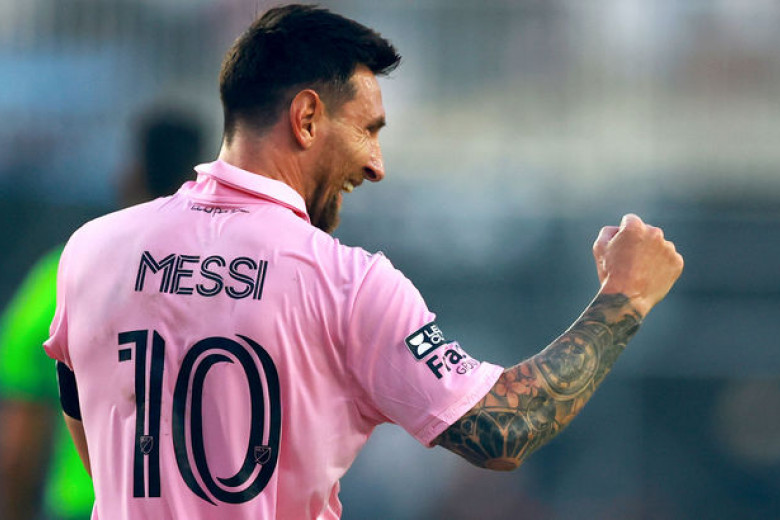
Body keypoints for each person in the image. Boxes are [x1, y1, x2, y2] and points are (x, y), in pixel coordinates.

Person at [43, 4, 683, 519]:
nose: (376, 165)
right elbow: (506, 429)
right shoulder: (347, 283)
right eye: (368, 129)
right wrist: (625, 296)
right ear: (306, 117)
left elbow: (95, 442)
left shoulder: (91, 252)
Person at [0, 109, 204, 520]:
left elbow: (18, 451)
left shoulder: (63, 277)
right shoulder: (227, 285)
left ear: (130, 177)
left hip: (88, 505)